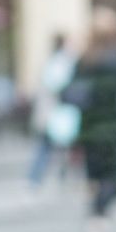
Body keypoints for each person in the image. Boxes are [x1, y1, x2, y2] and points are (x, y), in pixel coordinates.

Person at [65, 7, 116, 229]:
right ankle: (101, 212)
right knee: (110, 174)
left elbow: (67, 91)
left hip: (89, 128)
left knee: (95, 174)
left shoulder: (83, 60)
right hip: (111, 128)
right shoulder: (115, 60)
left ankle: (97, 213)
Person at [27, 33, 77, 187]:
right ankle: (38, 177)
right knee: (50, 145)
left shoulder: (54, 61)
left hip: (55, 111)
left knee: (52, 146)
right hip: (56, 111)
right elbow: (57, 86)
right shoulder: (60, 62)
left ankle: (51, 177)